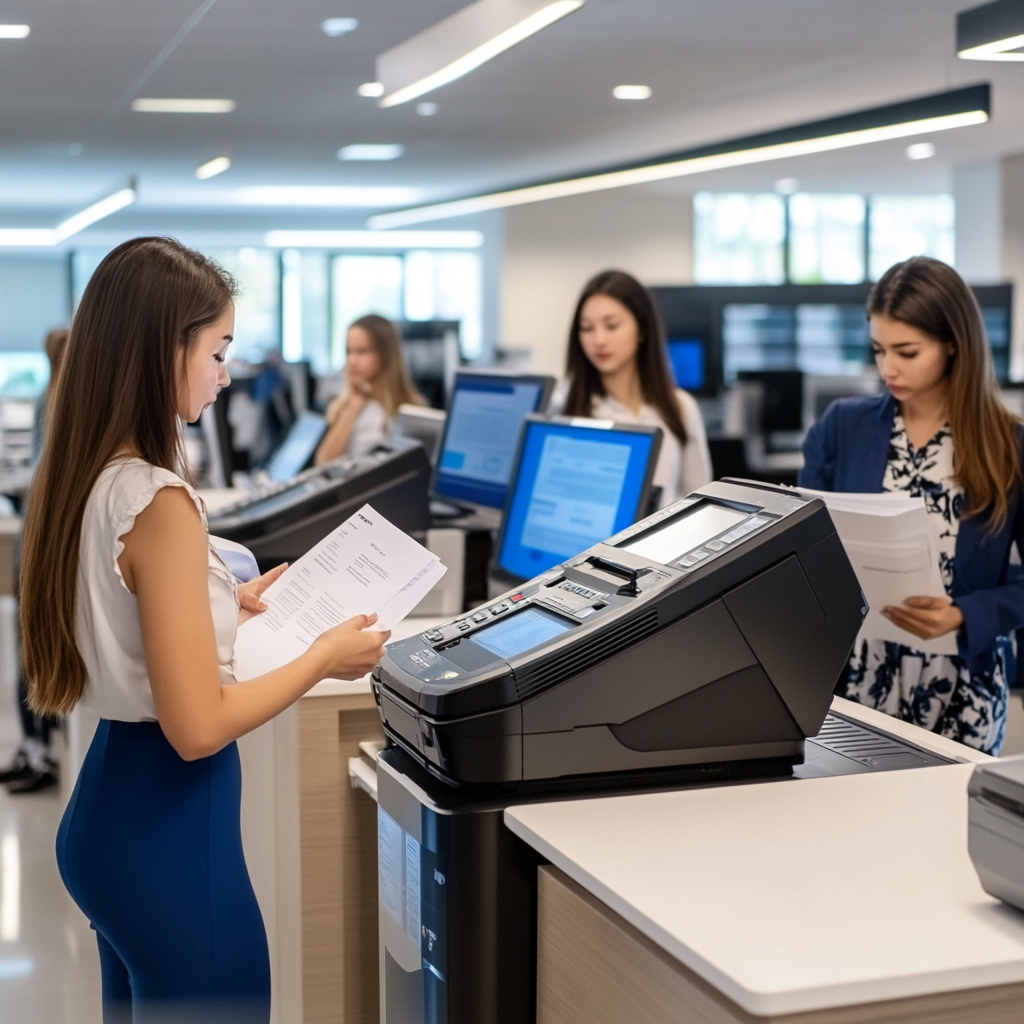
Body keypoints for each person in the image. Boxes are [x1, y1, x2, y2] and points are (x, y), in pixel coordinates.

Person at [20, 237, 389, 1022]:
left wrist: (226, 595)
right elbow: (197, 729)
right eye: (217, 351)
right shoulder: (160, 500)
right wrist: (323, 657)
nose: (226, 374)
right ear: (165, 350)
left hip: (110, 822)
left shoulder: (95, 474)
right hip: (172, 836)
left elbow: (130, 608)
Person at [800, 256, 1024, 755]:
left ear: (952, 343)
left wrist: (968, 613)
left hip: (963, 685)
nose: (888, 368)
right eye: (879, 350)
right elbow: (799, 540)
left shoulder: (1009, 445)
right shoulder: (844, 426)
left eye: (906, 351)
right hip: (859, 674)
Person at [553, 269, 712, 508]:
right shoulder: (564, 410)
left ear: (643, 329)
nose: (599, 340)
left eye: (612, 325)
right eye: (587, 328)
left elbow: (700, 501)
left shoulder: (680, 407)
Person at [0, 327, 69, 794]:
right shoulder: (55, 400)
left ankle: (39, 749)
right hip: (36, 535)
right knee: (29, 645)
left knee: (34, 647)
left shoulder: (60, 401)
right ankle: (34, 748)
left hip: (39, 537)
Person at [314, 314, 424, 465]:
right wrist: (352, 408)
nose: (352, 361)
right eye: (349, 351)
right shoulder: (345, 406)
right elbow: (324, 463)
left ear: (385, 356)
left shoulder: (410, 411)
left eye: (361, 351)